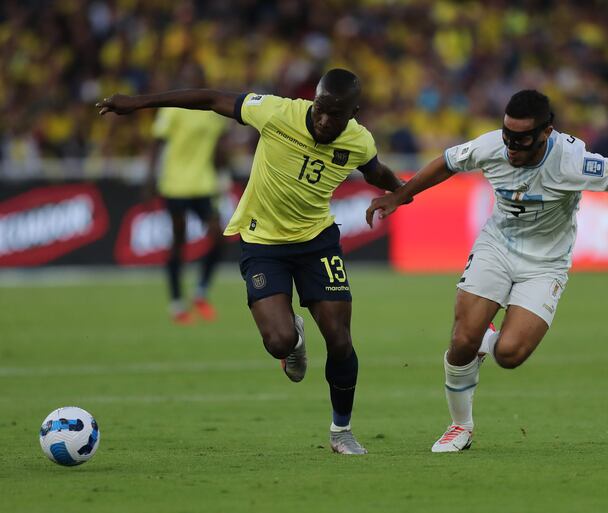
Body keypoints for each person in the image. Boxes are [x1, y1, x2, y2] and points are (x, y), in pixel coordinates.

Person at [366, 89, 608, 453]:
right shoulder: (491, 146)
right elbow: (447, 163)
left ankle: (488, 343)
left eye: (521, 139)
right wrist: (401, 195)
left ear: (546, 133)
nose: (511, 146)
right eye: (507, 136)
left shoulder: (573, 162)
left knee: (509, 354)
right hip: (496, 248)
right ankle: (461, 426)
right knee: (461, 340)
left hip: (546, 264)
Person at [98, 68, 405, 455]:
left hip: (318, 243)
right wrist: (138, 103)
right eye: (321, 109)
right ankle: (293, 337)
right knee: (279, 342)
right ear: (313, 99)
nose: (326, 121)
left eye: (337, 115)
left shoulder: (358, 141)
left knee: (340, 341)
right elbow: (211, 98)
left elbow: (376, 171)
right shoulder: (275, 112)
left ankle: (341, 431)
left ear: (353, 113)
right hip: (263, 243)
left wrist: (403, 191)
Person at [145, 63, 228, 325]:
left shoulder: (213, 111)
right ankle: (177, 303)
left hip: (204, 183)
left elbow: (217, 149)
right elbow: (157, 142)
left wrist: (222, 172)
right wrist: (149, 177)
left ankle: (200, 291)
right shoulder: (172, 109)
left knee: (218, 236)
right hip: (176, 184)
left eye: (195, 79)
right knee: (179, 241)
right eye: (187, 79)